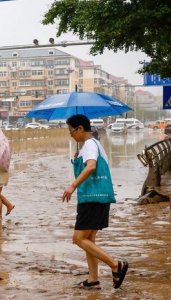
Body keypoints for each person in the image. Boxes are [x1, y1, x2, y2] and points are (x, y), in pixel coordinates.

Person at [62, 114, 128, 290]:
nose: (71, 135)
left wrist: (72, 186)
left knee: (78, 238)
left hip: (91, 198)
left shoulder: (90, 145)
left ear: (80, 128)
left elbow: (91, 167)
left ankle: (115, 265)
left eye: (71, 131)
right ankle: (93, 280)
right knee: (89, 240)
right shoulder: (93, 145)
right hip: (98, 197)